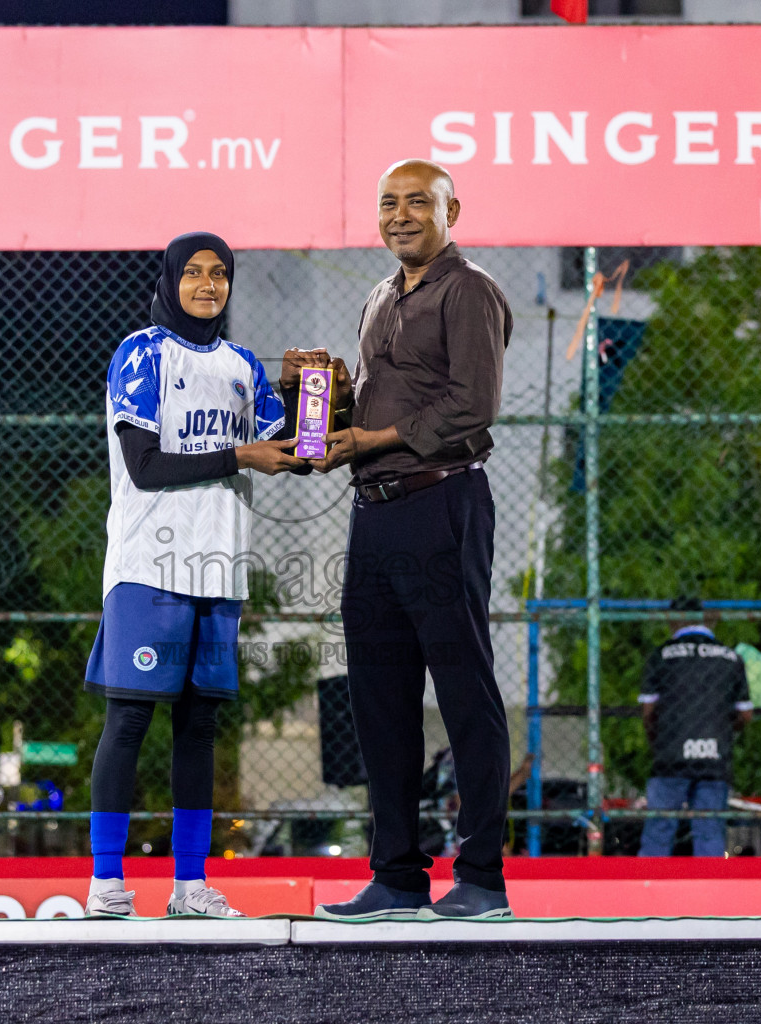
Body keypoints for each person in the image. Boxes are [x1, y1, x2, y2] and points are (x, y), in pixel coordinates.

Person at [297, 159, 515, 921]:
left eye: (418, 201)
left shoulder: (471, 291)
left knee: (463, 694)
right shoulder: (377, 296)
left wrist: (365, 436)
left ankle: (482, 877)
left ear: (453, 209)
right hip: (374, 513)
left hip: (442, 504)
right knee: (378, 702)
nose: (400, 214)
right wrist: (324, 397)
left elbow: (471, 406)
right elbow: (374, 397)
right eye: (388, 201)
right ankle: (396, 876)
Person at [84, 231, 304, 917]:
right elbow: (146, 467)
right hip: (149, 564)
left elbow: (289, 450)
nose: (209, 285)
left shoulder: (242, 364)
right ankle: (105, 883)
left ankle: (189, 887)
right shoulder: (141, 352)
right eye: (196, 273)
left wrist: (309, 398)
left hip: (220, 569)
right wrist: (242, 454)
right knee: (128, 721)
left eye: (220, 274)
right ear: (172, 278)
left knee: (199, 728)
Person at [636, 599, 755, 858]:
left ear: (673, 619)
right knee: (710, 831)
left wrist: (657, 739)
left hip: (670, 754)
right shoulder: (730, 658)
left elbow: (648, 712)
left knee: (659, 829)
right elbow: (745, 714)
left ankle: (648, 888)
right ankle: (709, 891)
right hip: (714, 755)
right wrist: (725, 728)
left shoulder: (661, 656)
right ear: (706, 619)